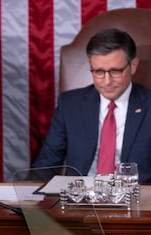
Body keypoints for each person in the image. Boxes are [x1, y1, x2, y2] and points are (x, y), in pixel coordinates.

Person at [33, 28, 151, 183]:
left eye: (115, 71)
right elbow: (45, 166)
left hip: (136, 200)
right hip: (79, 199)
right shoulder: (69, 105)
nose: (107, 81)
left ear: (133, 66)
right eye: (99, 72)